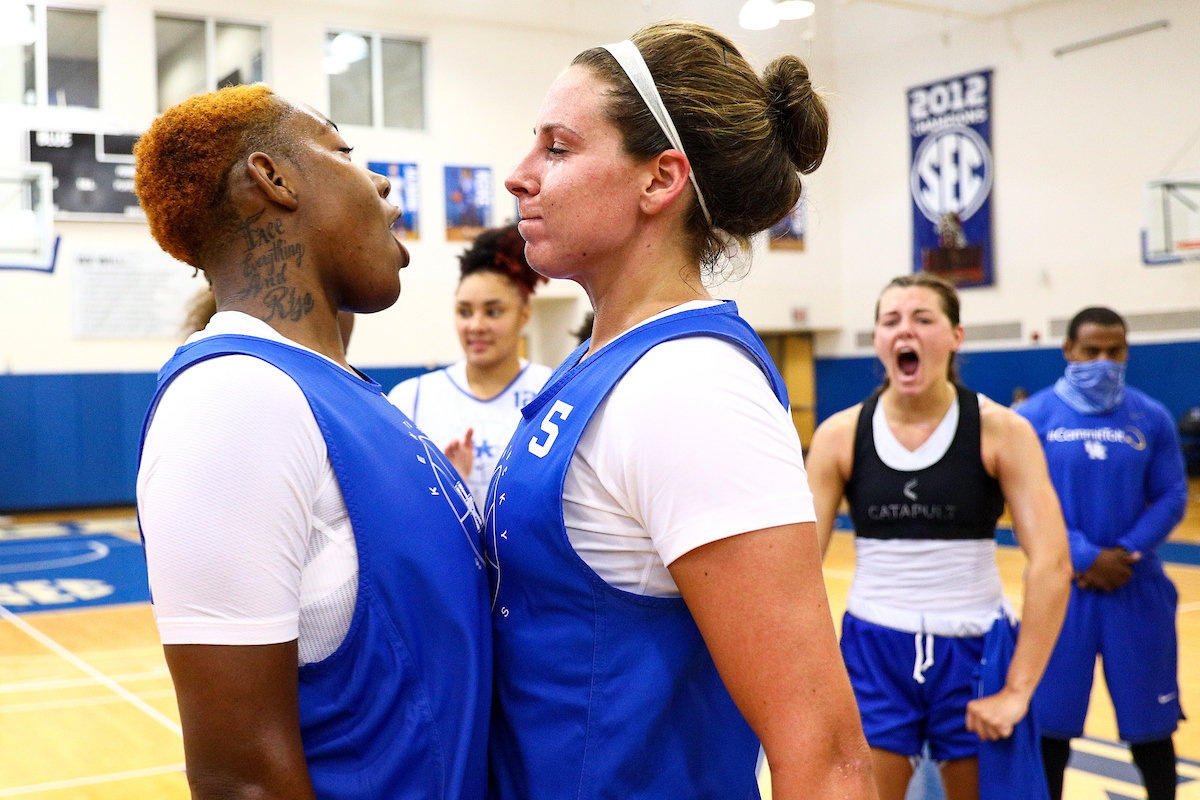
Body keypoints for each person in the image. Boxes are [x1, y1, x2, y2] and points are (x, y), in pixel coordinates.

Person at [489, 21, 875, 799]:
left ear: (660, 180)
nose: (518, 175)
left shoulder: (692, 388)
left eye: (558, 148)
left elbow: (826, 755)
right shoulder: (603, 362)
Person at [134, 84, 489, 799]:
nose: (384, 181)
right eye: (345, 153)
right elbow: (241, 779)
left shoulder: (341, 392)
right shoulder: (232, 399)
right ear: (274, 178)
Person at [805, 273, 1072, 800]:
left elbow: (1052, 564)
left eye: (924, 319)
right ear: (878, 341)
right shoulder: (840, 434)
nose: (906, 331)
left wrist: (1017, 690)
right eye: (891, 321)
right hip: (873, 649)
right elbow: (797, 568)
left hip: (974, 650)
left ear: (955, 337)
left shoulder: (1002, 431)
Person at [1018, 307, 1188, 800]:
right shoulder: (1031, 419)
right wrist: (1083, 555)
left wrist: (1127, 551)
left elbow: (1173, 495)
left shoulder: (1150, 416)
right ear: (1068, 350)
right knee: (1052, 727)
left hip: (1135, 586)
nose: (1104, 361)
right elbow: (1022, 499)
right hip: (1060, 588)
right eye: (1092, 350)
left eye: (1115, 351)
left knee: (1152, 727)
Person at [388, 223, 550, 508]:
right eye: (465, 311)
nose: (476, 326)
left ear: (524, 315)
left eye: (493, 311)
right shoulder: (411, 397)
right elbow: (396, 498)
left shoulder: (551, 392)